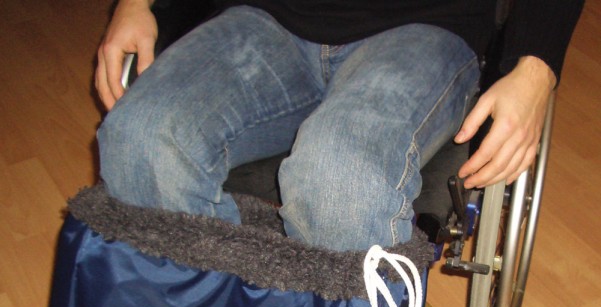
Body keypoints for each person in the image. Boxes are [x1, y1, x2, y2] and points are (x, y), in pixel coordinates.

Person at [95, 0, 582, 251]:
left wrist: (536, 67)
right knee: (140, 138)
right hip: (267, 15)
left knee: (340, 182)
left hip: (429, 25)